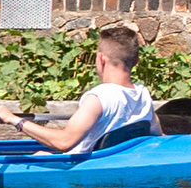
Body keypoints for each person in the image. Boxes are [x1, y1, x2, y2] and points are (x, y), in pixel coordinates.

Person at [24, 25, 161, 154]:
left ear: (101, 59)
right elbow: (156, 135)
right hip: (116, 163)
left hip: (79, 169)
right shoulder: (143, 94)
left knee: (40, 155)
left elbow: (64, 142)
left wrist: (15, 121)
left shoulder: (98, 98)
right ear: (136, 61)